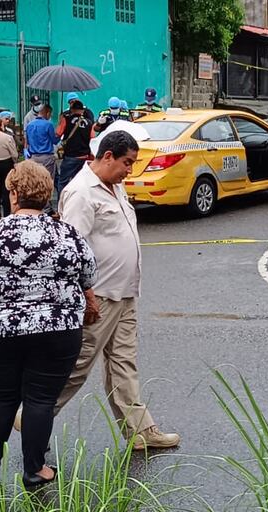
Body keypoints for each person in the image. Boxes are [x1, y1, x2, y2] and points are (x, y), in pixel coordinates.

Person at [49, 130, 180, 450]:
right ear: (107, 156)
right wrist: (85, 294)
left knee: (124, 363)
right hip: (99, 295)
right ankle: (34, 411)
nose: (129, 170)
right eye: (126, 162)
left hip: (124, 292)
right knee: (78, 364)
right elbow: (72, 249)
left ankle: (140, 431)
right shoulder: (82, 192)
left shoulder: (115, 186)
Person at [0, 161, 96, 487]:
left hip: (2, 329)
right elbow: (88, 274)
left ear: (13, 193)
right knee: (40, 399)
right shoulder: (67, 233)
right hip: (57, 328)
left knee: (0, 397)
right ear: (46, 192)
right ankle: (34, 469)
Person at [56, 97, 94, 196]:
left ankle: (62, 206)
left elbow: (58, 133)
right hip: (84, 157)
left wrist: (60, 120)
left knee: (63, 182)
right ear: (82, 110)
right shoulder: (89, 123)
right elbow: (92, 138)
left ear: (72, 110)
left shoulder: (66, 119)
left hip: (70, 156)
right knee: (82, 183)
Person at [24, 103, 59, 190]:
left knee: (35, 180)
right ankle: (46, 200)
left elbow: (27, 141)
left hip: (33, 157)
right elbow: (54, 141)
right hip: (47, 157)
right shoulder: (48, 125)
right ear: (47, 113)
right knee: (47, 180)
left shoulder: (29, 125)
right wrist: (59, 134)